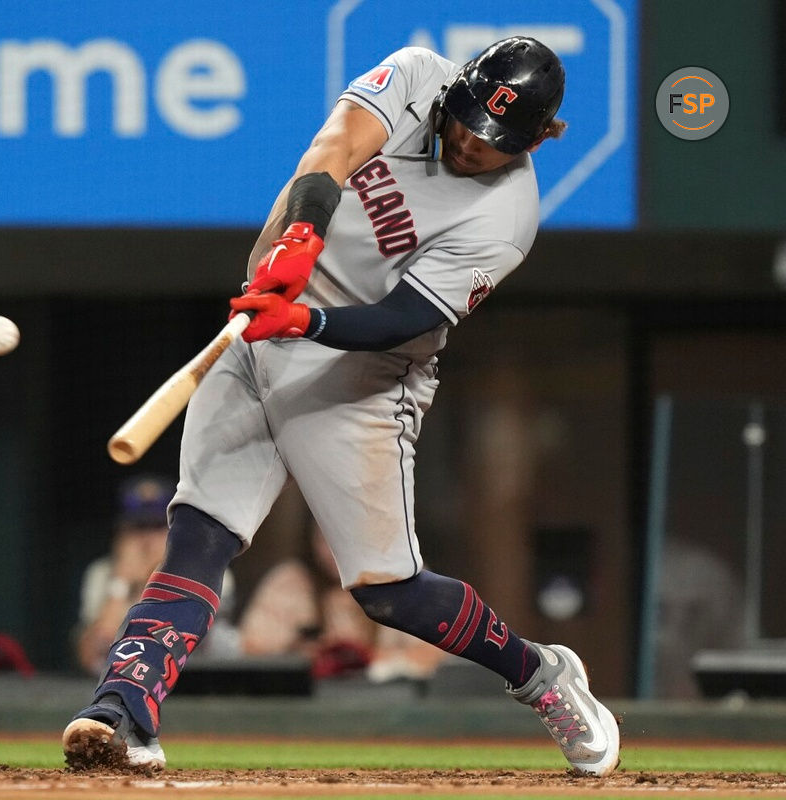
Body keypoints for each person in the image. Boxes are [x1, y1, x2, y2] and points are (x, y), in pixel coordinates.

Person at [62, 37, 620, 777]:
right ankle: (122, 710)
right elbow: (334, 147)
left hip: (363, 376)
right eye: (464, 121)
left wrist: (304, 321)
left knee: (389, 595)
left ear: (531, 141)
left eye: (491, 141)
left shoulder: (507, 214)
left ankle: (541, 673)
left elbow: (403, 318)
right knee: (200, 531)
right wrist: (300, 238)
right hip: (261, 332)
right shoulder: (420, 74)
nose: (466, 141)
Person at [239, 519, 447, 683]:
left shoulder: (404, 579)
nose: (335, 550)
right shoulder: (289, 583)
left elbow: (438, 654)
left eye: (346, 538)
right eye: (325, 537)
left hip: (387, 707)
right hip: (308, 709)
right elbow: (252, 651)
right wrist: (315, 658)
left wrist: (363, 659)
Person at [75, 475, 237, 675]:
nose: (147, 540)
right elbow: (96, 654)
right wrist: (122, 582)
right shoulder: (103, 574)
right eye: (139, 528)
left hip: (194, 691)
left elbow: (170, 645)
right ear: (121, 533)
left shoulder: (209, 572)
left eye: (157, 527)